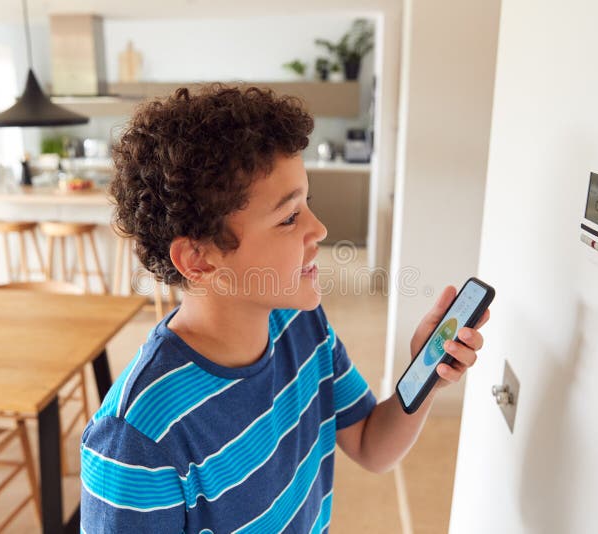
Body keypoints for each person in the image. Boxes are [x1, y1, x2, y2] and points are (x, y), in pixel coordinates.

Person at [79, 84, 489, 533]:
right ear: (198, 259)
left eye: (306, 204)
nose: (319, 229)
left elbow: (373, 447)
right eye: (289, 217)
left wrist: (424, 377)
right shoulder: (138, 437)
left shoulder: (301, 324)